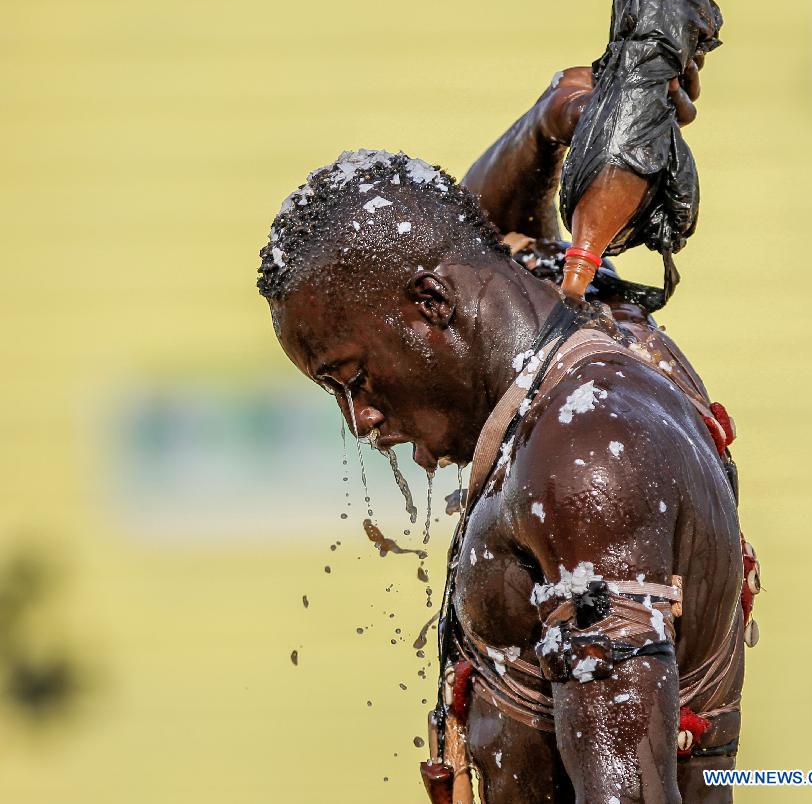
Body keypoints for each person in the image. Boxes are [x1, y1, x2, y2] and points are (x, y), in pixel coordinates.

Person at [257, 127, 757, 799]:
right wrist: (555, 118)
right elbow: (467, 233)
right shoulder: (577, 325)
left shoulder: (584, 454)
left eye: (353, 377)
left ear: (433, 304)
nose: (361, 421)